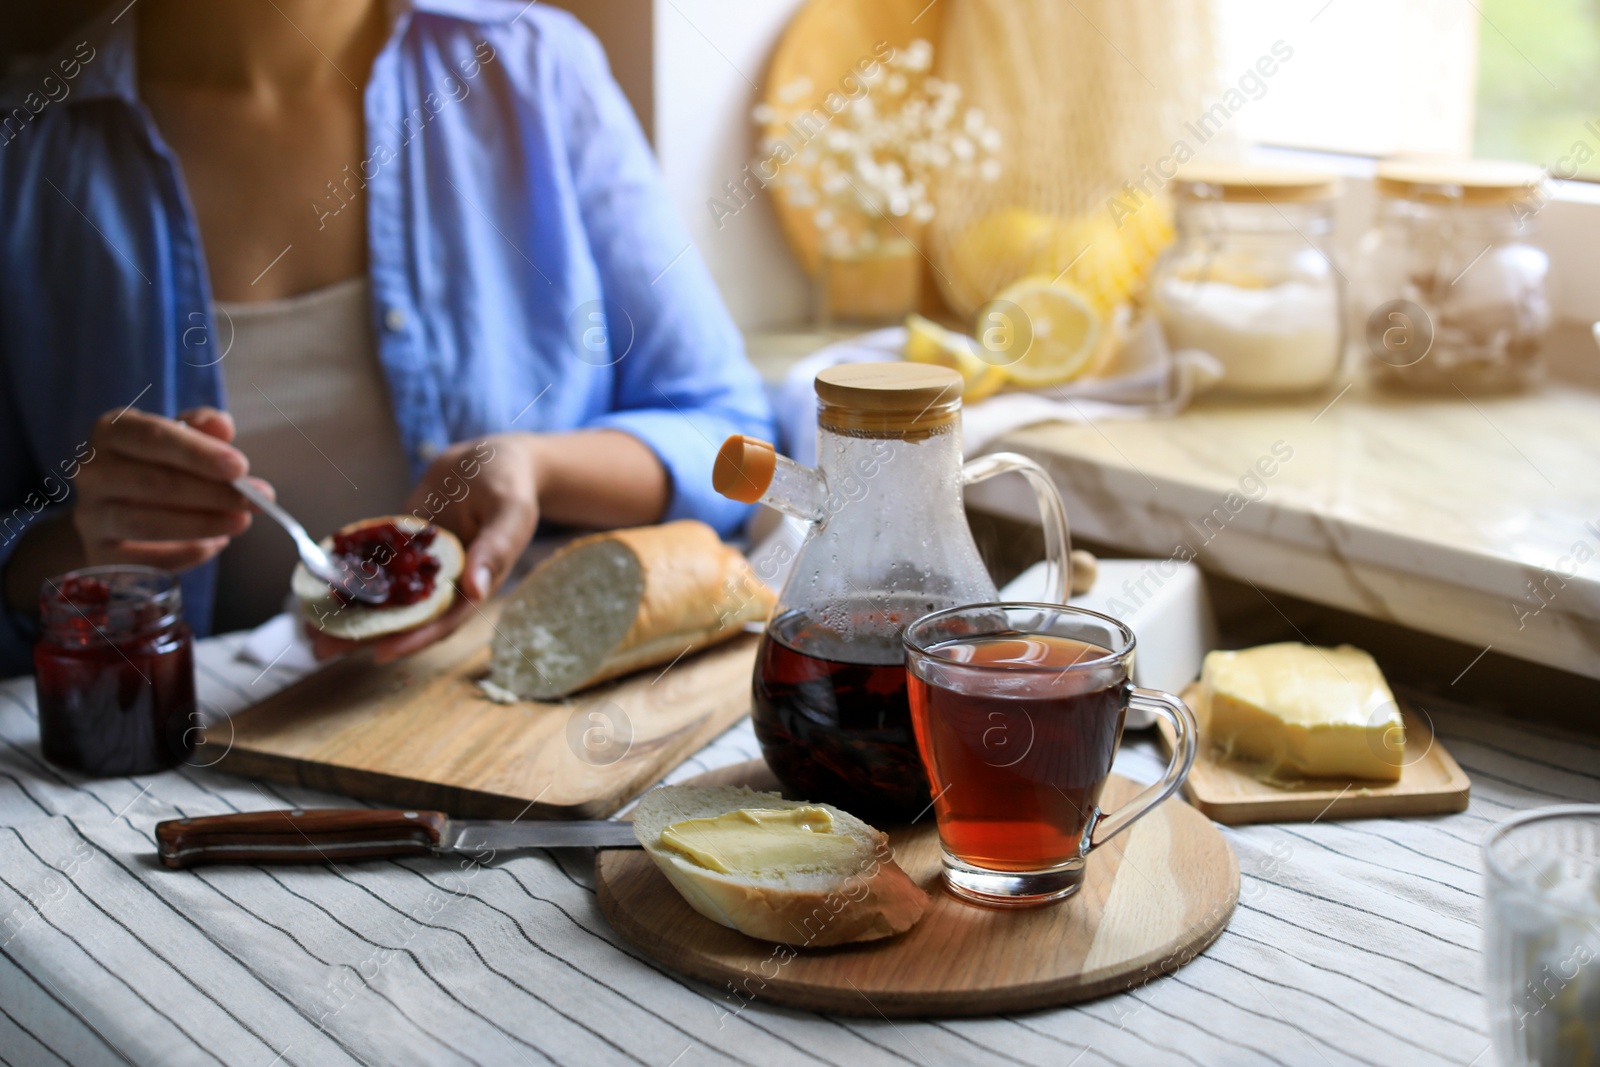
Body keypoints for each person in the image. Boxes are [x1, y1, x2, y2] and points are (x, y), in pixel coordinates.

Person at [0, 0, 775, 676]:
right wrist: (85, 549)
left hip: (500, 724)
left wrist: (535, 465)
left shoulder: (535, 68)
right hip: (165, 770)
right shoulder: (27, 147)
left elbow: (732, 441)